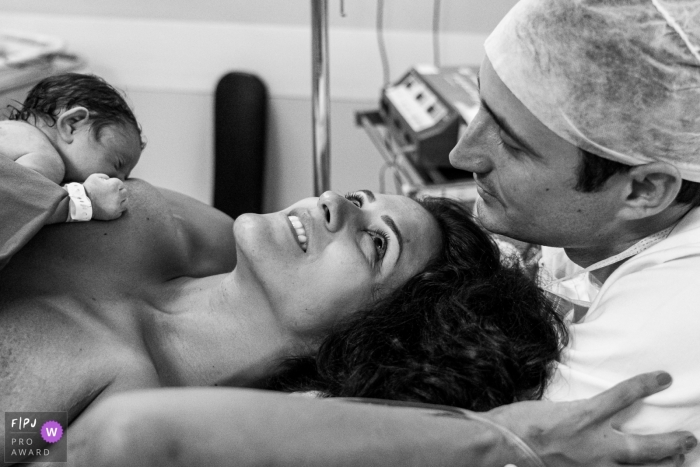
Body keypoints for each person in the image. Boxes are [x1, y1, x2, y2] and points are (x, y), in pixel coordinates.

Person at [0, 158, 694, 466]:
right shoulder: (164, 227)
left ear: (379, 336)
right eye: (360, 199)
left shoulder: (79, 416)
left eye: (374, 242)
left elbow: (116, 440)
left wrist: (494, 439)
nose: (334, 202)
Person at [445, 0, 700, 464]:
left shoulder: (666, 316)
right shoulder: (593, 231)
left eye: (511, 143)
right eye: (479, 105)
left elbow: (508, 452)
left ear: (644, 190)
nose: (463, 155)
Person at [0, 72, 144, 269]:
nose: (118, 180)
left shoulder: (11, 132)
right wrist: (88, 201)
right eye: (117, 164)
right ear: (72, 124)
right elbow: (18, 203)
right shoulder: (46, 157)